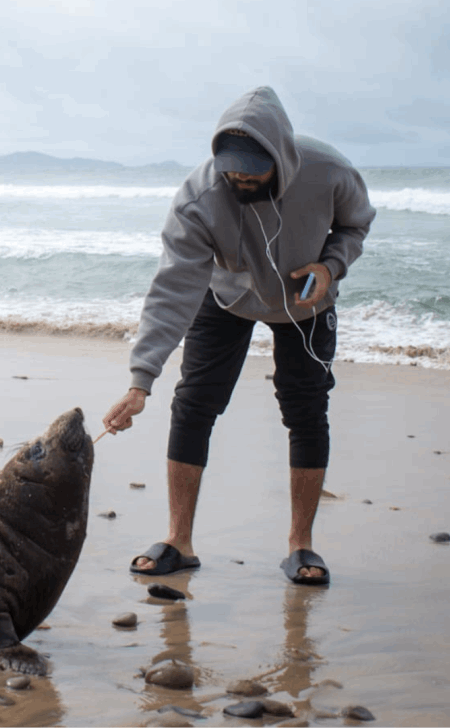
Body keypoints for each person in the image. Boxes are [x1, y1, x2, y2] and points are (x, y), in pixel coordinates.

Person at [102, 86, 375, 585]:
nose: (241, 179)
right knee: (193, 404)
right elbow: (172, 290)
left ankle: (301, 545)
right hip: (226, 294)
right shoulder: (199, 198)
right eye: (232, 171)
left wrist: (331, 266)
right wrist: (140, 382)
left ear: (282, 157)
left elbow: (355, 225)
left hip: (306, 300)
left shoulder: (329, 170)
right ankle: (178, 541)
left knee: (306, 410)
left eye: (253, 172)